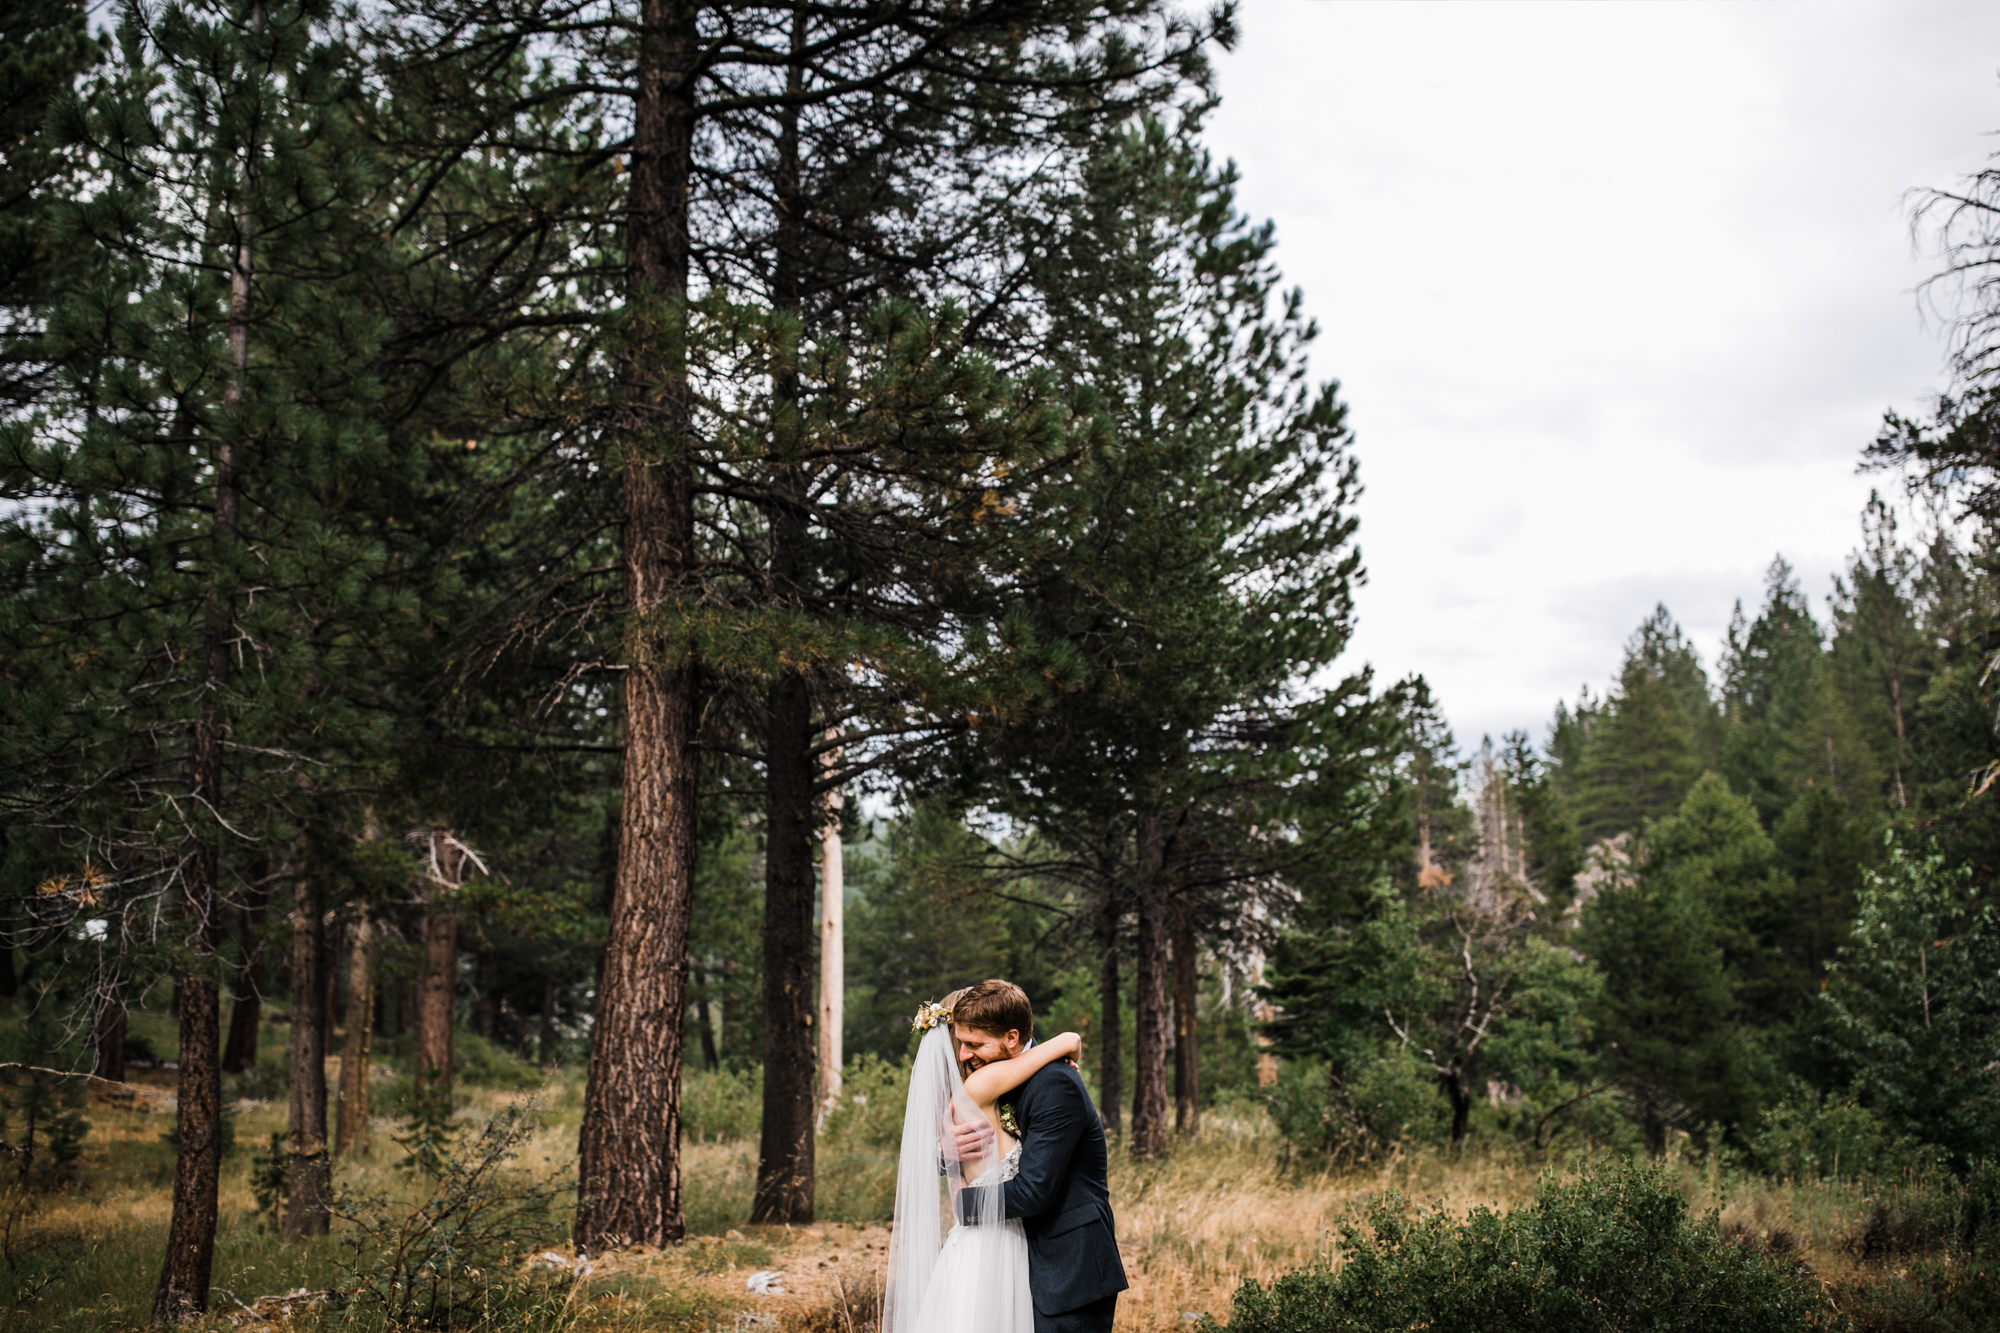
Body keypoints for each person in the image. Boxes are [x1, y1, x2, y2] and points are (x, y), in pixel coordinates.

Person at [882, 979, 1127, 1333]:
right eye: (961, 1045)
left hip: (1068, 1269)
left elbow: (1034, 1192)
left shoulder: (1053, 1082)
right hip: (1013, 1260)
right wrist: (944, 1153)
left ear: (1010, 1038)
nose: (965, 1055)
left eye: (974, 1044)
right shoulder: (992, 1079)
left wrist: (963, 1203)